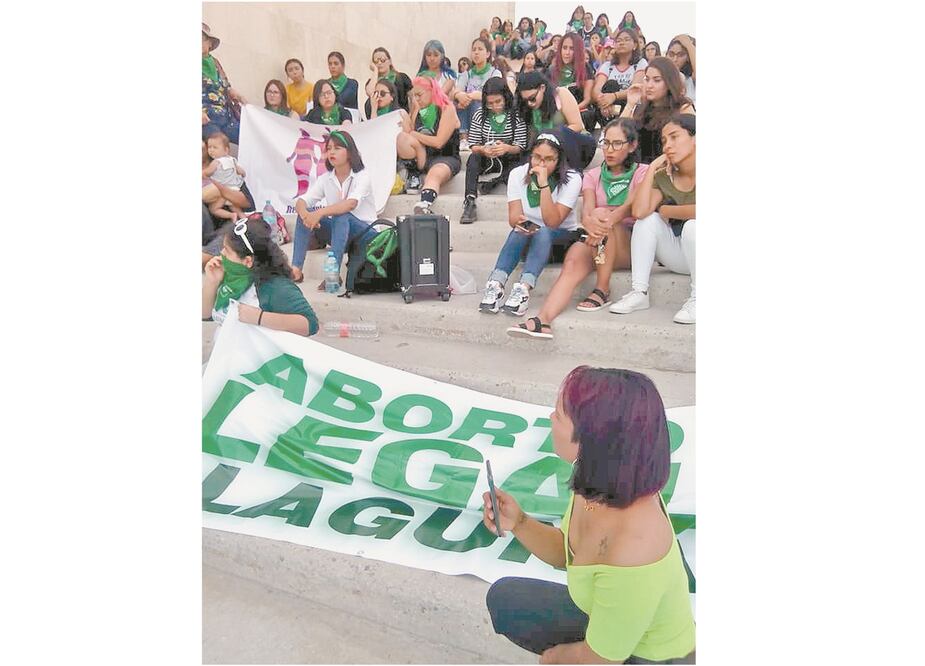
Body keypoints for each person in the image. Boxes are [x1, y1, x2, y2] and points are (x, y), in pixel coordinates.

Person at [483, 367, 696, 664]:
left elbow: (599, 660)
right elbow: (568, 552)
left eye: (559, 415)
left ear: (592, 440)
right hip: (613, 624)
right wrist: (519, 522)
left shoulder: (633, 549)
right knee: (506, 599)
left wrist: (555, 657)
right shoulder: (600, 485)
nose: (550, 418)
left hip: (654, 658)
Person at [507, 119, 648, 339]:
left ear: (632, 146)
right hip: (599, 240)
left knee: (603, 218)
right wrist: (594, 224)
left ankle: (602, 289)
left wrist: (602, 221)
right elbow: (587, 213)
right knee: (573, 259)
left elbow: (630, 207)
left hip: (628, 243)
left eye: (617, 144)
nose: (609, 149)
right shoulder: (592, 175)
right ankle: (543, 320)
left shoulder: (642, 172)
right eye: (606, 143)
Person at [478, 131, 581, 317]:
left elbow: (553, 221)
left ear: (559, 159)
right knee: (519, 231)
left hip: (561, 240)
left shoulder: (573, 178)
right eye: (537, 157)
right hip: (529, 238)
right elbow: (513, 217)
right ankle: (496, 284)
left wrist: (543, 185)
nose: (542, 164)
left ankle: (523, 289)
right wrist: (520, 223)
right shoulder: (518, 174)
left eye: (549, 159)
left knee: (544, 231)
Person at [611, 113, 696, 324]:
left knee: (692, 227)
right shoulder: (665, 175)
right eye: (664, 141)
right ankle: (639, 292)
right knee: (647, 221)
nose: (668, 146)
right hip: (684, 256)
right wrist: (651, 169)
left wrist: (667, 210)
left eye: (674, 137)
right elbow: (640, 212)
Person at [292, 130, 379, 291]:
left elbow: (350, 204)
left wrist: (319, 213)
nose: (331, 152)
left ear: (350, 152)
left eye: (337, 148)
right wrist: (306, 216)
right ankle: (296, 269)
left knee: (341, 215)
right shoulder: (326, 178)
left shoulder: (362, 176)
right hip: (341, 234)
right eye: (329, 148)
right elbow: (301, 201)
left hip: (366, 235)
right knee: (305, 214)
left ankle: (333, 274)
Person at [202, 217, 319, 337]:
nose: (221, 253)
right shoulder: (230, 276)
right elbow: (205, 315)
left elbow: (310, 324)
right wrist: (212, 282)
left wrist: (259, 317)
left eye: (227, 251)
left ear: (248, 261)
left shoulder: (274, 286)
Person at [460, 77, 528, 224]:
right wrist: (483, 149)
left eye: (498, 101)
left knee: (519, 165)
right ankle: (470, 200)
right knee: (473, 159)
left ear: (506, 98)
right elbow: (473, 144)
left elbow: (520, 146)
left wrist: (507, 148)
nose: (495, 106)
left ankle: (497, 182)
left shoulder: (516, 115)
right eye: (490, 103)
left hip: (509, 157)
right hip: (488, 157)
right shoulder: (480, 114)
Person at [620, 57, 694, 164]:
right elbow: (618, 135)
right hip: (640, 166)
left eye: (657, 80)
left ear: (669, 82)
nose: (649, 85)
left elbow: (691, 145)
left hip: (669, 165)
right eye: (647, 79)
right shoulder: (641, 108)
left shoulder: (683, 107)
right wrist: (630, 104)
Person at [407, 76, 461, 214]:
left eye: (419, 95)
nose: (417, 99)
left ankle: (425, 202)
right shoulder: (418, 109)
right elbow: (409, 133)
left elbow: (439, 142)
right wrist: (413, 113)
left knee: (434, 174)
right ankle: (413, 172)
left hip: (446, 156)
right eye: (414, 96)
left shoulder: (447, 109)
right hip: (425, 156)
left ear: (431, 91)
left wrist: (414, 134)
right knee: (403, 138)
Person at [453, 37, 502, 151]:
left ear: (488, 54)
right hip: (469, 109)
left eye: (480, 49)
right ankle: (464, 138)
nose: (476, 52)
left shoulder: (495, 73)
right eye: (474, 49)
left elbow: (496, 95)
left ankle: (479, 137)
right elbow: (456, 90)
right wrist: (459, 95)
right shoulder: (467, 74)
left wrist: (477, 96)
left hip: (488, 110)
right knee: (461, 102)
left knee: (476, 102)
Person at [202, 23, 246, 144]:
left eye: (202, 38)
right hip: (207, 118)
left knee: (248, 139)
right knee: (218, 145)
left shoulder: (215, 62)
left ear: (210, 43)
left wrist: (239, 97)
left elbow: (226, 86)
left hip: (226, 116)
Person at [592, 28, 647, 126]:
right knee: (611, 84)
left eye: (626, 40)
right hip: (607, 108)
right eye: (618, 41)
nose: (622, 43)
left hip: (630, 107)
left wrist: (614, 96)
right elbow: (597, 90)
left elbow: (635, 89)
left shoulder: (640, 63)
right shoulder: (608, 66)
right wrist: (604, 102)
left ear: (635, 45)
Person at [547, 32, 596, 132]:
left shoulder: (585, 67)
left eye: (572, 49)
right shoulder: (552, 69)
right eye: (564, 48)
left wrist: (570, 113)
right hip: (558, 112)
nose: (567, 52)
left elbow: (587, 99)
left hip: (580, 111)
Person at [202, 132, 247, 222]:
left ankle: (231, 216)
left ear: (226, 150)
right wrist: (242, 175)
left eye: (215, 147)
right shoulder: (232, 160)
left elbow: (207, 173)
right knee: (234, 206)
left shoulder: (216, 162)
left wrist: (203, 174)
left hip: (225, 189)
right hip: (235, 188)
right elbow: (241, 171)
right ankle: (244, 218)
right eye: (209, 147)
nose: (211, 150)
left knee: (213, 209)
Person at [363, 47, 413, 118]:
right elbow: (370, 92)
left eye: (382, 60)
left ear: (390, 61)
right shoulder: (373, 81)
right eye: (376, 61)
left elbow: (413, 100)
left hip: (400, 117)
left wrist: (410, 118)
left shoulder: (402, 77)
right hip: (378, 117)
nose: (379, 63)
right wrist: (375, 70)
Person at [666, 35, 697, 103]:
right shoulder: (661, 77)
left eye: (681, 55)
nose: (675, 59)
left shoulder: (691, 79)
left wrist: (688, 45)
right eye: (671, 54)